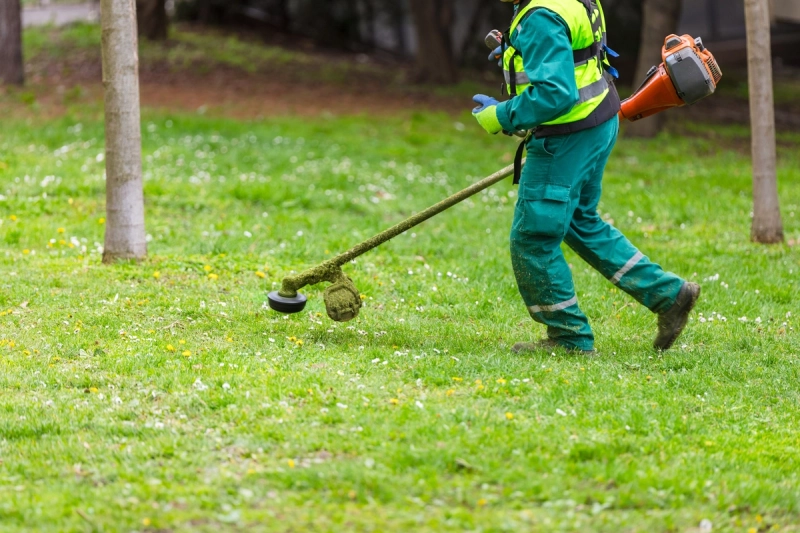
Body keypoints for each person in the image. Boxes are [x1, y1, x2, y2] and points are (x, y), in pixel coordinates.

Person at [471, 0, 700, 355]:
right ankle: (669, 296)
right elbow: (576, 55)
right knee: (580, 220)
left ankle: (569, 338)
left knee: (533, 238)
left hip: (566, 137)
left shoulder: (540, 16)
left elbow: (555, 93)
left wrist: (502, 115)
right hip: (597, 121)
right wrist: (517, 48)